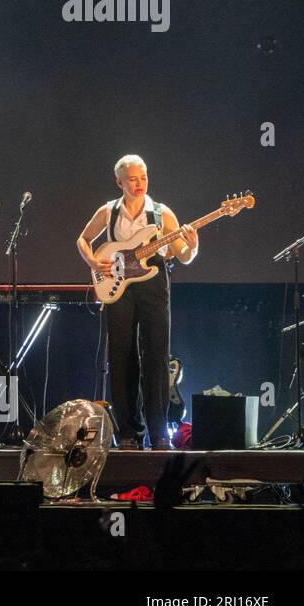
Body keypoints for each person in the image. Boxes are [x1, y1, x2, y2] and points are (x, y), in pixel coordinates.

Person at [76, 155, 199, 449]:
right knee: (122, 357)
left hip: (153, 285)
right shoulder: (108, 211)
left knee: (156, 355)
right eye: (132, 178)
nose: (139, 183)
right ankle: (129, 433)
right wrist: (94, 262)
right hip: (120, 288)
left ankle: (158, 433)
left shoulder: (162, 213)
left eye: (143, 177)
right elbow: (83, 239)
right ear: (119, 182)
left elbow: (182, 255)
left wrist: (192, 244)